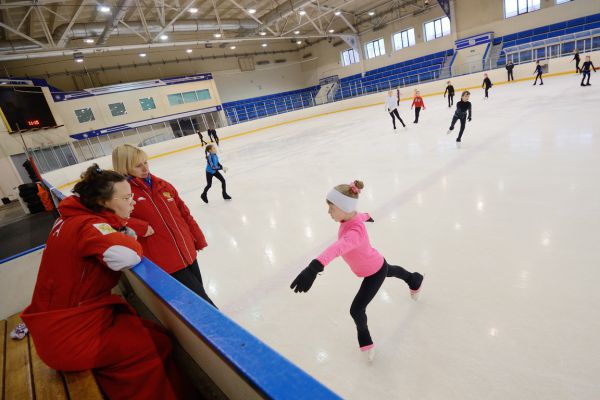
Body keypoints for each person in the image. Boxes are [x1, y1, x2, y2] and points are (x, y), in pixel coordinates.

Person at [21, 165, 190, 400]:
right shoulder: (88, 226)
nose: (133, 202)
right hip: (69, 337)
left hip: (63, 324)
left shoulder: (69, 219)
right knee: (152, 345)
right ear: (103, 202)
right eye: (126, 197)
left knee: (152, 332)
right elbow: (126, 256)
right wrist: (129, 237)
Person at [290, 181, 424, 363]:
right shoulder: (350, 217)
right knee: (391, 270)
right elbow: (360, 215)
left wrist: (314, 268)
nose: (328, 212)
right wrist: (367, 216)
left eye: (331, 208)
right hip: (375, 262)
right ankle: (414, 280)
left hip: (373, 271)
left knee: (357, 309)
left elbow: (337, 248)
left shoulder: (354, 232)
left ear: (344, 208)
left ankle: (365, 340)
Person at [112, 144, 216, 307]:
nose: (145, 168)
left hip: (188, 253)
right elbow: (109, 218)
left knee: (199, 298)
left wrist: (198, 238)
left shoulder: (162, 185)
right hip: (165, 261)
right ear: (125, 167)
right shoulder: (121, 194)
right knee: (202, 304)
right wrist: (140, 226)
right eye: (138, 165)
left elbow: (184, 214)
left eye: (146, 162)